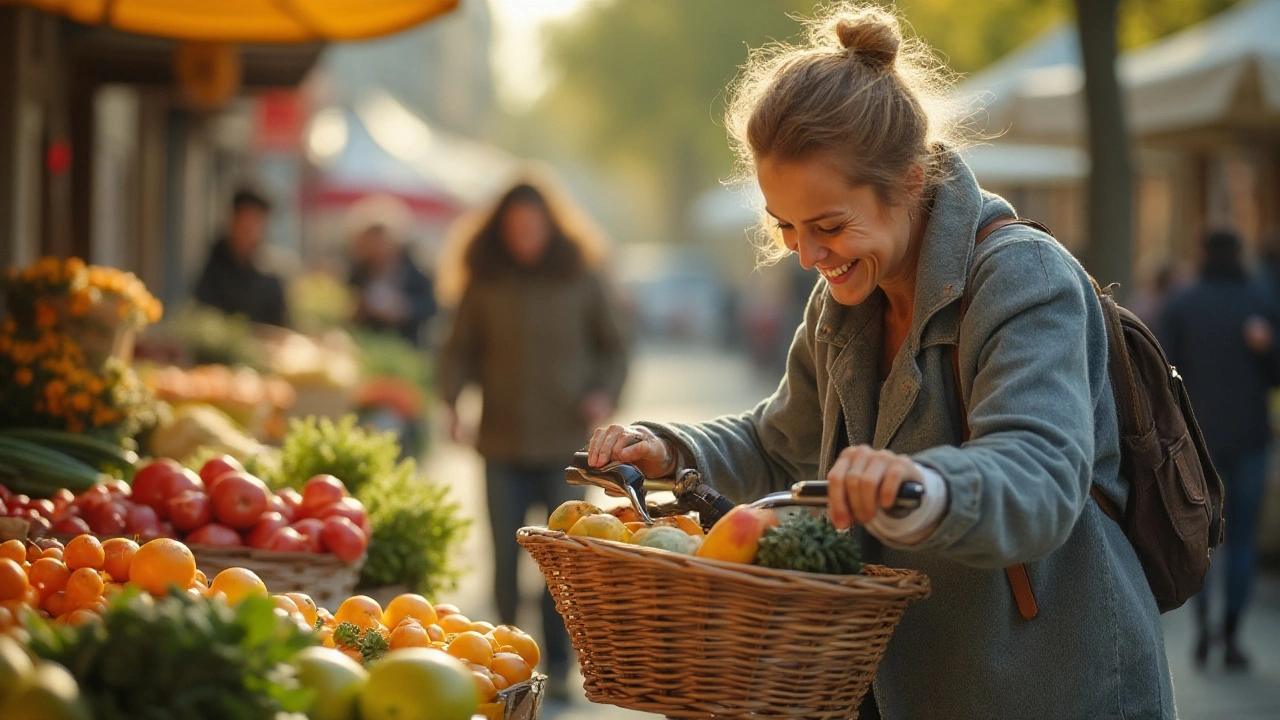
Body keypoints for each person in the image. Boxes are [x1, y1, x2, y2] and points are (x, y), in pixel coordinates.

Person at [586, 5, 1175, 718]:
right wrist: (672, 448)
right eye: (787, 229)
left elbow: (1038, 476)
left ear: (908, 181)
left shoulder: (1026, 278)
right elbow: (782, 444)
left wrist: (915, 482)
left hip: (1048, 687)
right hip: (903, 688)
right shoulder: (842, 298)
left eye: (829, 226)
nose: (806, 255)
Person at [438, 179, 629, 699]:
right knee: (503, 560)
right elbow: (457, 351)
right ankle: (506, 666)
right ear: (500, 231)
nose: (524, 237)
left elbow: (615, 348)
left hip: (568, 451)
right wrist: (451, 401)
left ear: (551, 227)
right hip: (501, 444)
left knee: (563, 566)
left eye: (533, 227)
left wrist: (603, 395)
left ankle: (562, 667)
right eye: (514, 229)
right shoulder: (484, 280)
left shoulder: (581, 277)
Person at [1159, 229, 1280, 671]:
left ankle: (1205, 628)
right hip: (1250, 439)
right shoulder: (1261, 301)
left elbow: (1161, 373)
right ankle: (1232, 635)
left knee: (1204, 539)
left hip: (1197, 443)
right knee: (1243, 539)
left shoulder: (1183, 303)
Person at [194, 188, 288, 327]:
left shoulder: (269, 272)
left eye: (257, 223)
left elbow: (279, 320)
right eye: (247, 222)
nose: (251, 230)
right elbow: (202, 317)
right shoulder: (214, 267)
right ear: (233, 219)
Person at [348, 221, 437, 348]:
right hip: (367, 341)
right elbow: (349, 299)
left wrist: (404, 309)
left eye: (379, 243)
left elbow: (430, 306)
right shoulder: (360, 270)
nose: (376, 250)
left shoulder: (415, 270)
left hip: (403, 344)